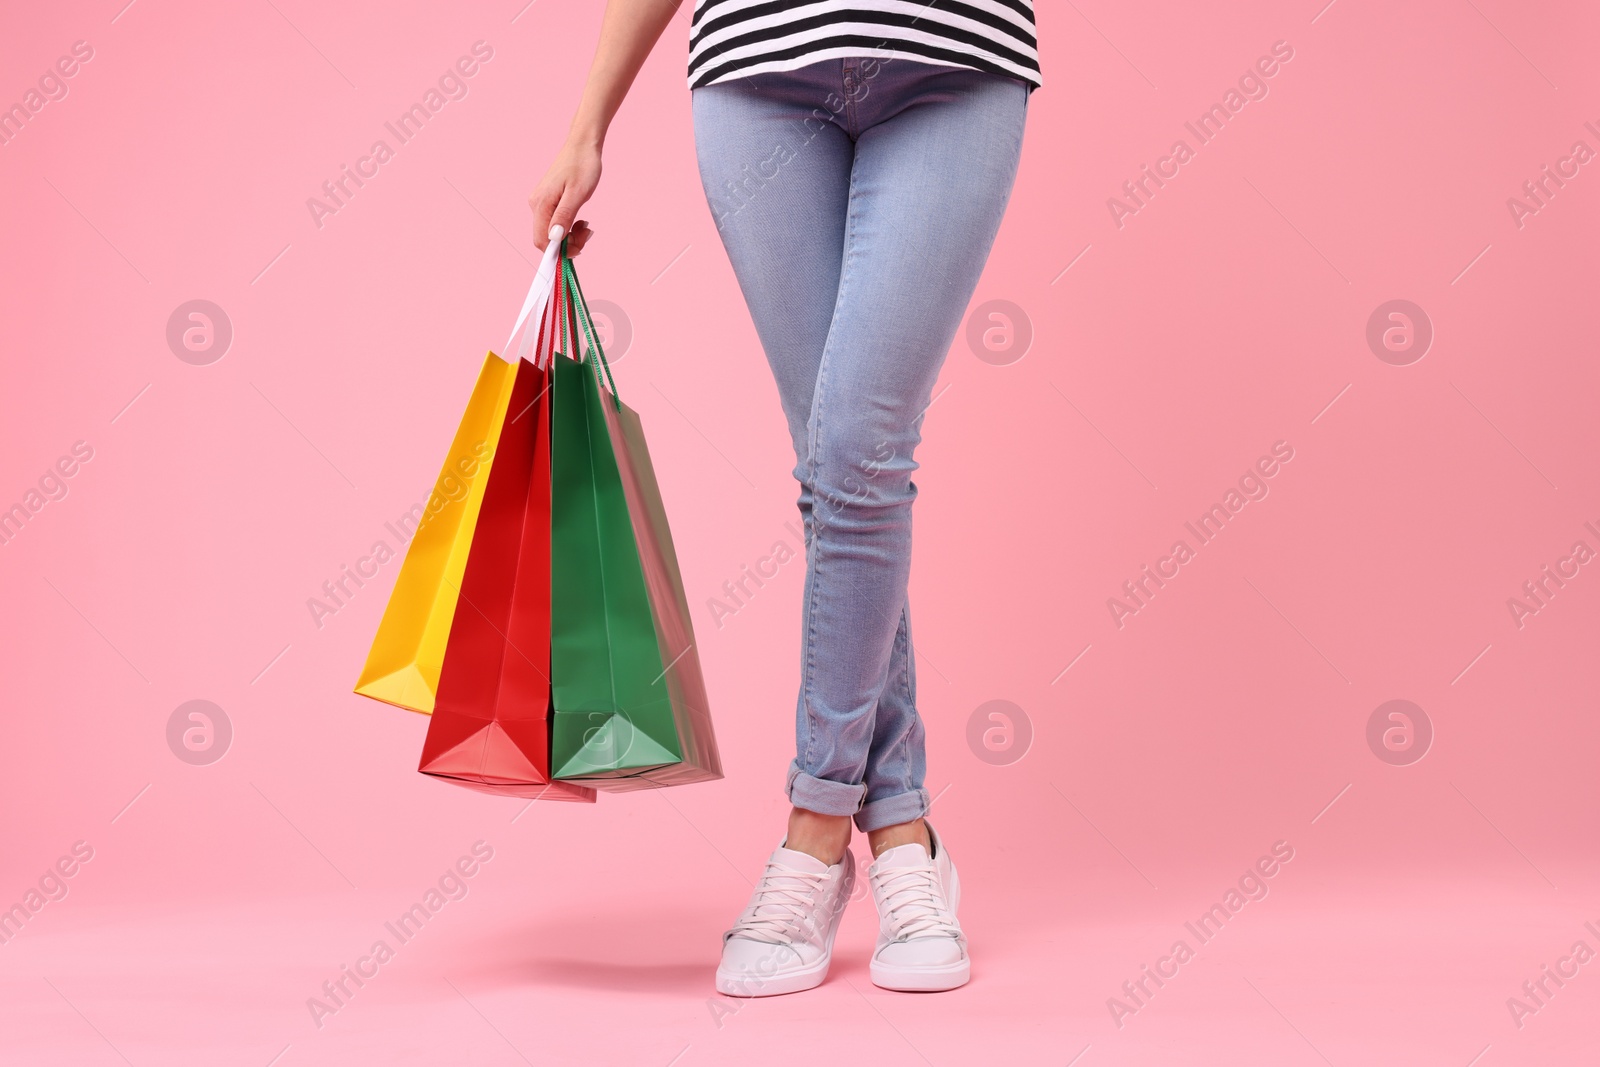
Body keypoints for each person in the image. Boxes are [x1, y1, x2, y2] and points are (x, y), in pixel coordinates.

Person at [530, 0, 1040, 995]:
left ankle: (813, 831)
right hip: (759, 73)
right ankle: (901, 830)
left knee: (857, 446)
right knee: (832, 471)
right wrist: (589, 120)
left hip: (950, 59)